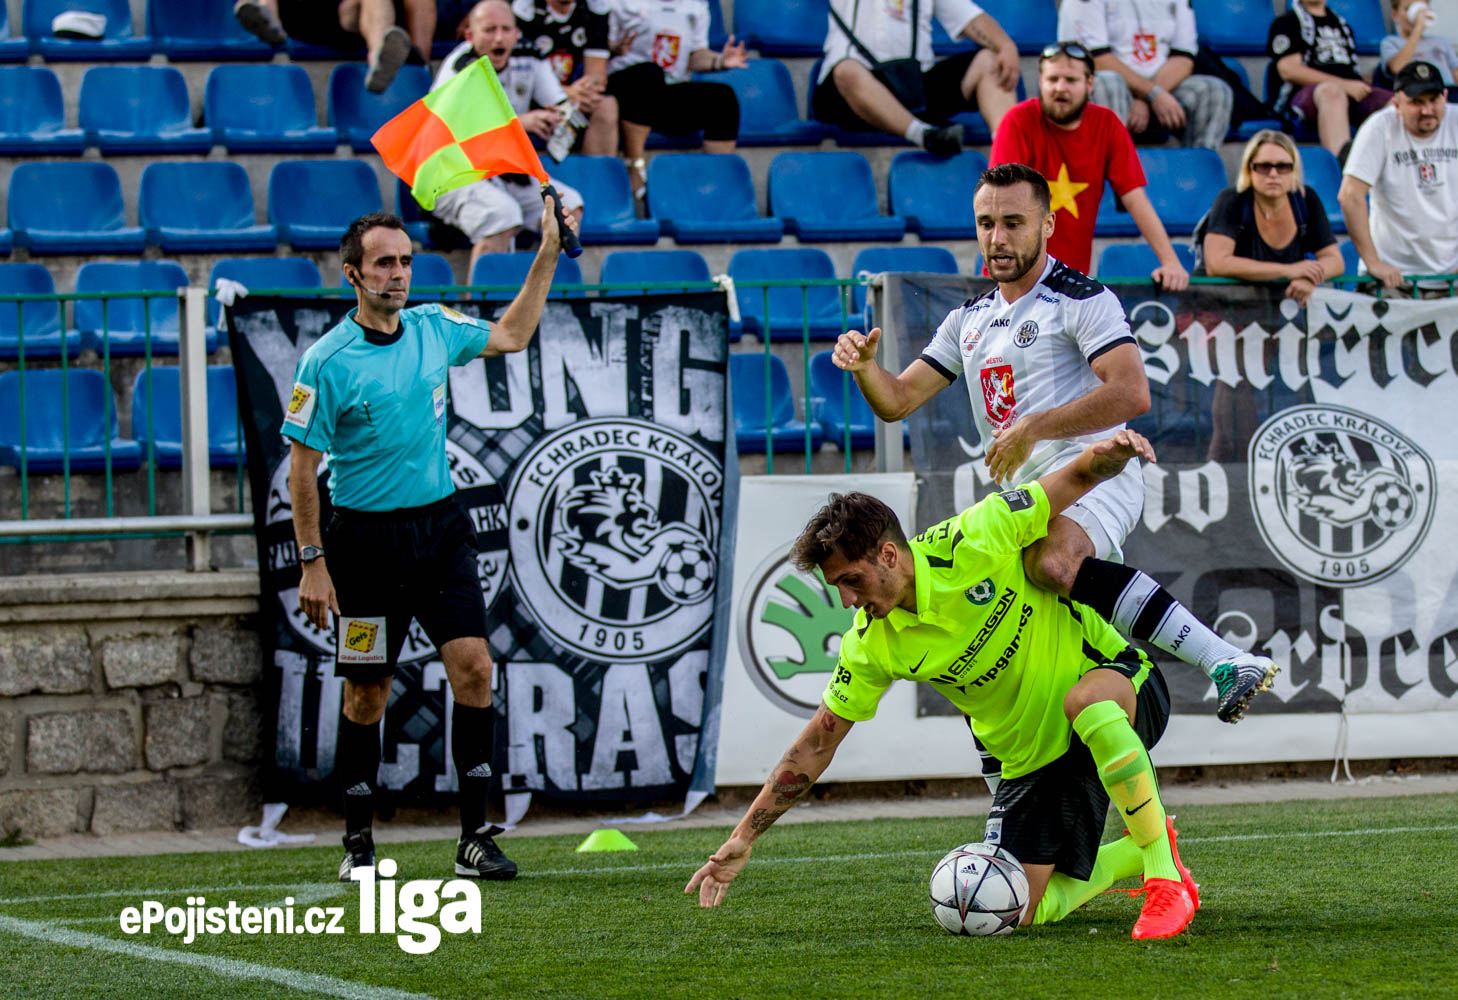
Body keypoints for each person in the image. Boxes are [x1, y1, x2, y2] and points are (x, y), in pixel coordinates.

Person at [686, 433, 1202, 940]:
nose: (846, 600)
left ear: (889, 555)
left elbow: (1075, 477)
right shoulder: (871, 644)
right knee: (1013, 910)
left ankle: (1166, 879)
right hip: (1032, 758)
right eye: (838, 586)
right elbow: (819, 742)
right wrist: (743, 837)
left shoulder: (978, 536)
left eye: (851, 580)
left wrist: (1108, 455)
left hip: (1121, 684)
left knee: (1087, 703)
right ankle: (1134, 853)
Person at [830, 163, 1278, 727]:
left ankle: (1226, 660)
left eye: (1013, 223)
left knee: (1054, 562)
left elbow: (1132, 392)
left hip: (1095, 471)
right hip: (1023, 499)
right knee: (1018, 623)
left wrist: (1034, 426)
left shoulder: (1081, 299)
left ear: (1048, 225)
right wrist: (865, 369)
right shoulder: (967, 320)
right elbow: (896, 401)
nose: (997, 238)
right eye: (986, 223)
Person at [287, 201, 564, 881]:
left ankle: (474, 839)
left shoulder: (434, 327)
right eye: (384, 262)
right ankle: (358, 844)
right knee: (368, 691)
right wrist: (313, 562)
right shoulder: (325, 362)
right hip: (362, 550)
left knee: (474, 668)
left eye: (406, 261)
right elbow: (301, 471)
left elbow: (512, 335)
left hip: (440, 534)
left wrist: (548, 252)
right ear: (353, 274)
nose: (399, 273)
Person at [989, 42, 1188, 288]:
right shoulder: (1017, 121)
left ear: (1089, 84)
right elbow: (1001, 201)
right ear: (1040, 81)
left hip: (1070, 282)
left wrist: (1170, 261)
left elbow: (1135, 198)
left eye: (1071, 80)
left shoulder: (1107, 124)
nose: (1060, 88)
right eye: (1052, 79)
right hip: (1013, 278)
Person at [431, 1, 586, 272]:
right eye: (489, 30)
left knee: (568, 208)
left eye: (506, 29)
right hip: (453, 172)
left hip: (506, 170)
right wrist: (520, 123)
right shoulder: (458, 69)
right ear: (470, 35)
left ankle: (546, 288)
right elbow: (456, 134)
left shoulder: (530, 56)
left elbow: (560, 106)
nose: (499, 38)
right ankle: (480, 298)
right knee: (501, 215)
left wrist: (561, 119)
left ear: (517, 34)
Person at [1338, 62, 1458, 298]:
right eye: (1416, 102)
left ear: (1446, 97)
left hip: (1450, 275)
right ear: (1396, 104)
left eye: (1434, 100)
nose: (1427, 110)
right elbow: (1349, 195)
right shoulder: (1379, 126)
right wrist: (1373, 263)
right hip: (1391, 279)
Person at [814, 0, 1020, 158]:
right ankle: (924, 135)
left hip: (913, 88)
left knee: (990, 62)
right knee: (846, 70)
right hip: (851, 97)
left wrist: (1005, 45)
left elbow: (969, 18)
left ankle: (1011, 160)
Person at [605, 0, 749, 201]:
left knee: (723, 97)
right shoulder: (619, 3)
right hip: (624, 90)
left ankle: (715, 183)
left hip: (665, 91)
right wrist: (615, 47)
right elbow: (596, 48)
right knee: (649, 73)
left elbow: (695, 55)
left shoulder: (695, 6)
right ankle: (634, 167)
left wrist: (719, 61)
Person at [1058, 0, 1232, 150]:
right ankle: (1108, 169)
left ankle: (1197, 173)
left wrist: (1151, 97)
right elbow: (1095, 60)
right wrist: (1151, 94)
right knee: (1108, 83)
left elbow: (1184, 59)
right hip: (1107, 90)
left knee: (1214, 91)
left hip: (1162, 87)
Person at [1196, 129, 1343, 305]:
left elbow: (1335, 260)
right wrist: (1288, 271)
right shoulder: (1231, 200)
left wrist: (1309, 278)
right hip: (1214, 306)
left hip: (1268, 309)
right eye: (1264, 167)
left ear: (1294, 170)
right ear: (1249, 169)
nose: (1273, 174)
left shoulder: (1306, 200)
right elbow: (1217, 264)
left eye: (1283, 167)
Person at [1267, 0, 1393, 161]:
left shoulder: (1341, 24)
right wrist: (1343, 85)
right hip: (1308, 97)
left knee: (1400, 102)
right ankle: (1342, 167)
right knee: (1332, 92)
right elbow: (1288, 70)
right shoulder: (1286, 22)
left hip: (1351, 91)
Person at [1379, 0, 1458, 144]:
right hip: (1416, 94)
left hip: (1451, 93)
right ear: (1395, 14)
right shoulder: (1390, 43)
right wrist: (1417, 29)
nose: (1415, 14)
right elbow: (1397, 67)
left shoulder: (1441, 43)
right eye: (1408, 9)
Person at [235, 0, 433, 92]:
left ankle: (382, 57)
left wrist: (420, 67)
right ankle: (265, 16)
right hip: (303, 15)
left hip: (354, 19)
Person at [513, 0, 621, 157]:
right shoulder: (524, 8)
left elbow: (596, 75)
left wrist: (579, 93)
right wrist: (565, 93)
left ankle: (595, 172)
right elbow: (517, 77)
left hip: (576, 95)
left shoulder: (594, 6)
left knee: (606, 105)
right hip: (530, 93)